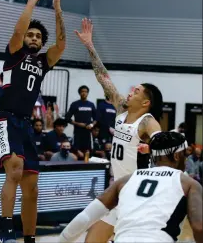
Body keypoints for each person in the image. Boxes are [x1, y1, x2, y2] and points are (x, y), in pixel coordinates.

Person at [75, 18, 163, 243]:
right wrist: (90, 46)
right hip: (119, 190)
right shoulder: (122, 109)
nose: (132, 90)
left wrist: (155, 144)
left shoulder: (146, 121)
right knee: (91, 239)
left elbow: (159, 139)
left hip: (139, 194)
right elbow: (104, 78)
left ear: (146, 103)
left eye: (138, 90)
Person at [0, 0, 66, 243]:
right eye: (30, 35)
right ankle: (5, 230)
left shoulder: (43, 62)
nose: (33, 38)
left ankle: (30, 238)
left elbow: (62, 44)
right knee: (14, 168)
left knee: (32, 187)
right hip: (4, 117)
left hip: (24, 123)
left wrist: (57, 9)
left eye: (37, 36)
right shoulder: (14, 53)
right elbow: (18, 30)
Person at [59, 132, 203, 243]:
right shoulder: (188, 184)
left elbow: (86, 217)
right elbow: (199, 228)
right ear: (177, 156)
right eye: (185, 154)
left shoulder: (126, 180)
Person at [65, 85, 96, 160]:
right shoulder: (75, 104)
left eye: (85, 92)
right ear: (79, 93)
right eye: (82, 91)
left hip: (88, 133)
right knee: (77, 152)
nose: (84, 93)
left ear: (88, 93)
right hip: (78, 132)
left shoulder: (91, 105)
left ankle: (86, 168)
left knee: (87, 152)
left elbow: (96, 118)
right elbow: (67, 118)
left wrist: (92, 125)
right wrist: (78, 124)